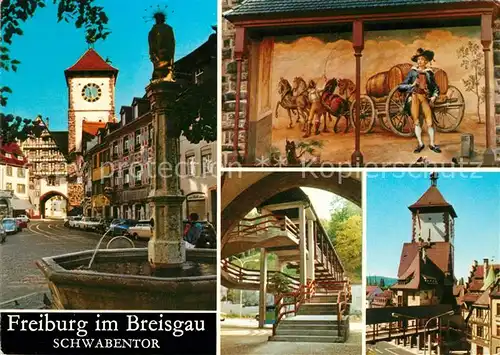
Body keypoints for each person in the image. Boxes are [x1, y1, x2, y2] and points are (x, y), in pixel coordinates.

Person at [398, 48, 441, 154]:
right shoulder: (412, 72)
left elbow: (435, 87)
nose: (420, 61)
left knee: (429, 122)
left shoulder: (429, 73)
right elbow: (401, 86)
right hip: (414, 97)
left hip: (424, 98)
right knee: (417, 122)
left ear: (426, 61)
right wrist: (411, 85)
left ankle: (432, 144)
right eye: (418, 59)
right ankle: (420, 144)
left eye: (422, 59)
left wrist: (434, 96)